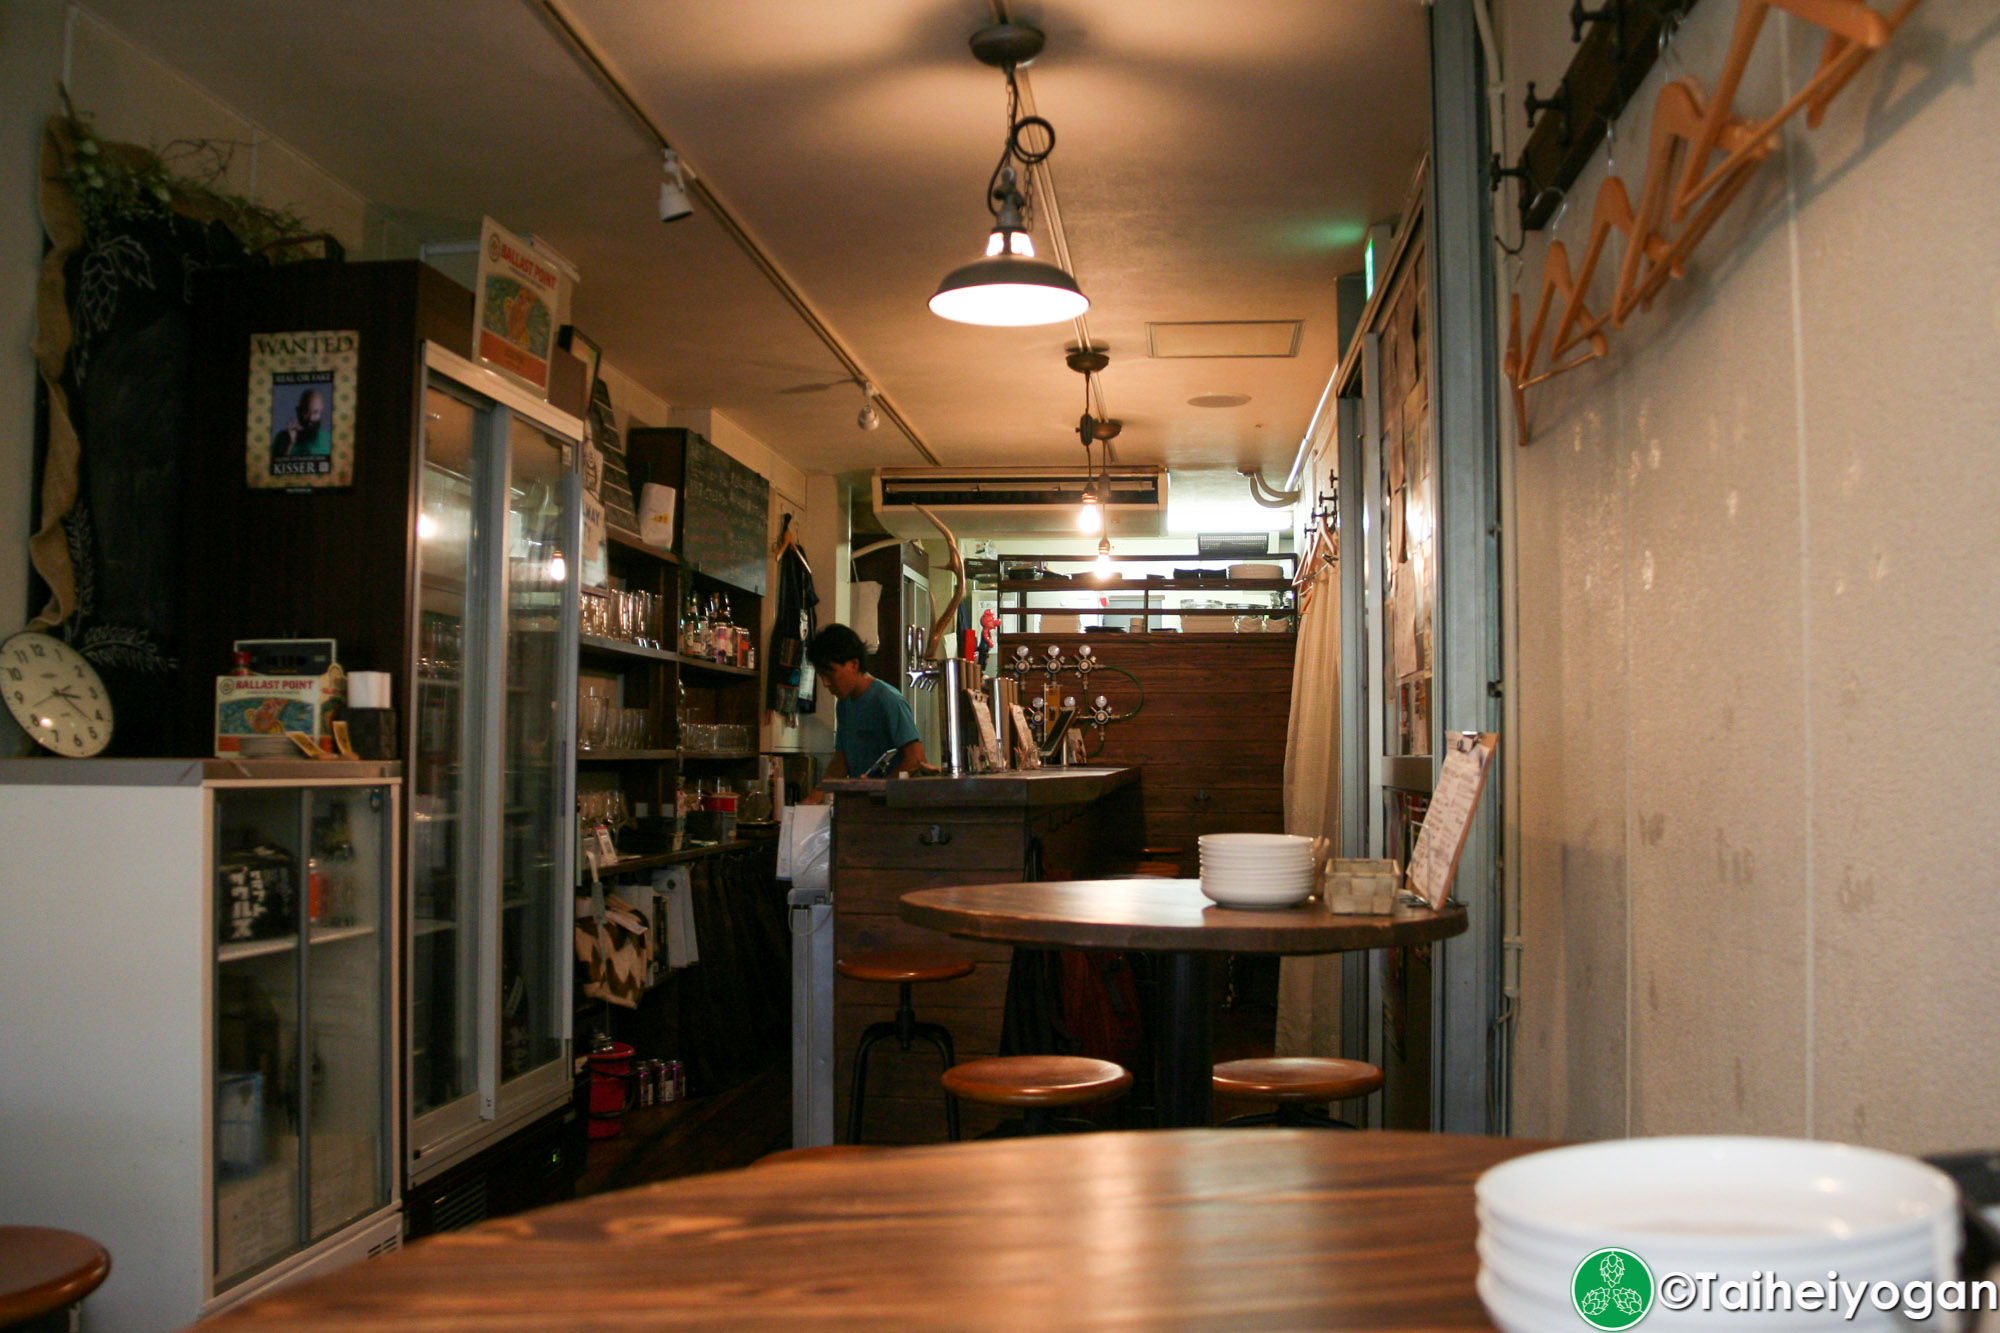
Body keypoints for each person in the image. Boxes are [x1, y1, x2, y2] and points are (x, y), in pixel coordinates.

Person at [804, 623, 924, 802]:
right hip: (866, 804)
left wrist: (878, 791)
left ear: (853, 664)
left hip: (892, 806)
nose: (825, 683)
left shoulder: (888, 700)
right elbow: (842, 758)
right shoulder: (844, 704)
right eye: (822, 676)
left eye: (830, 674)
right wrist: (815, 796)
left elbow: (915, 759)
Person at [273, 387, 328, 457]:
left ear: (321, 411)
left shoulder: (328, 440)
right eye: (306, 412)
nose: (311, 418)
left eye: (316, 412)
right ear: (298, 411)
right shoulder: (281, 438)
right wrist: (289, 444)